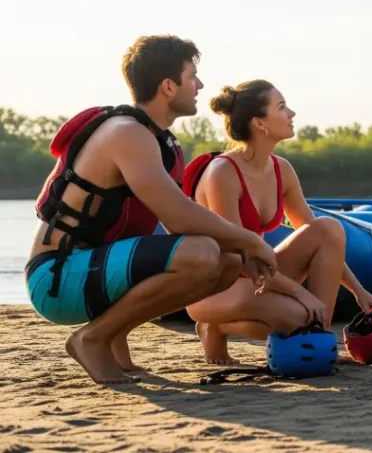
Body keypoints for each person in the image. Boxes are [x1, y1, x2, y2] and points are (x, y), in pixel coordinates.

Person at [24, 35, 278, 385]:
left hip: (89, 269)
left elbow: (177, 224)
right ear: (169, 86)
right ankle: (92, 338)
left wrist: (239, 249)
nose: (200, 85)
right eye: (193, 76)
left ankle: (112, 338)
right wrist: (252, 240)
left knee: (226, 262)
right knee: (203, 253)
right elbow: (178, 218)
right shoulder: (127, 133)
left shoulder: (158, 139)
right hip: (57, 277)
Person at [182, 79, 372, 365]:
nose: (291, 113)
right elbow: (241, 256)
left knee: (328, 228)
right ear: (259, 123)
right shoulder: (222, 173)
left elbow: (321, 240)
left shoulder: (283, 170)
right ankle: (214, 326)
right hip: (218, 285)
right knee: (301, 314)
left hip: (259, 276)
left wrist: (359, 292)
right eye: (281, 107)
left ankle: (318, 339)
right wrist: (302, 295)